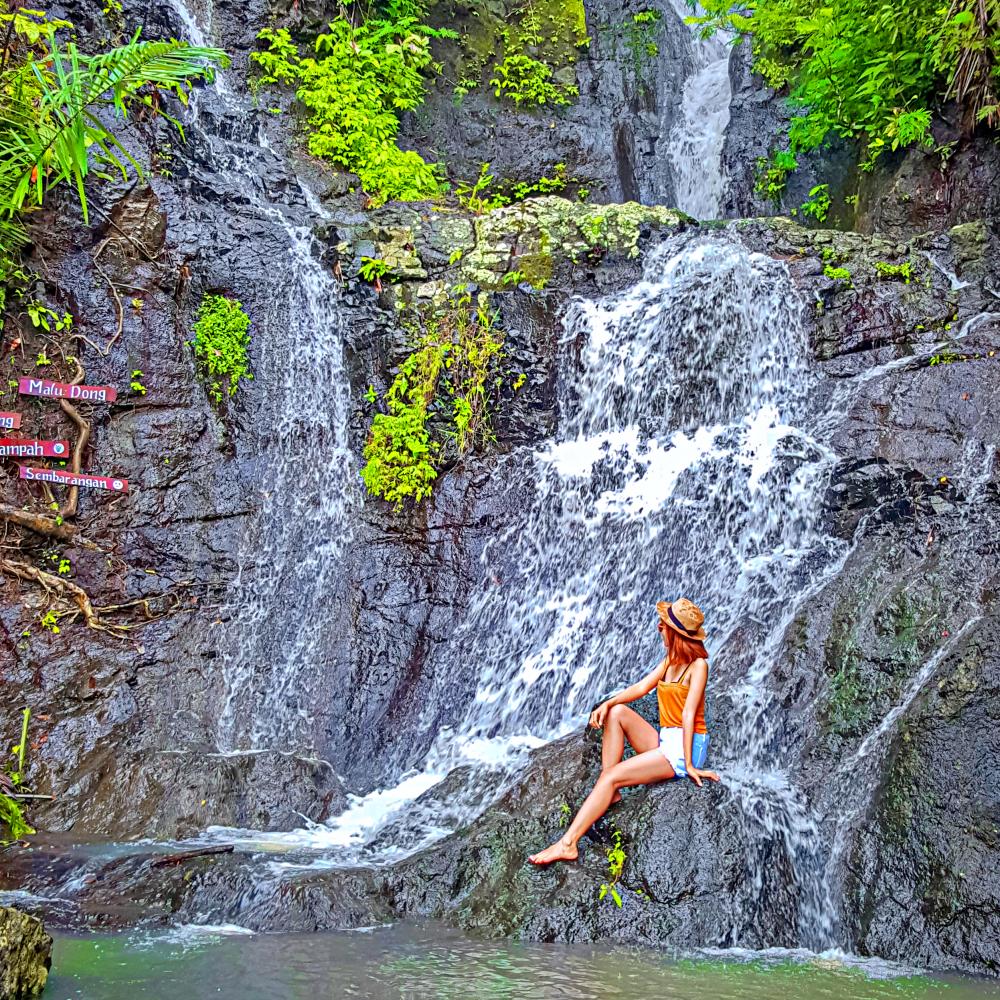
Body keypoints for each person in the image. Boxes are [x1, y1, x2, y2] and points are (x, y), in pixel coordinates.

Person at [528, 597, 719, 866]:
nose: (658, 628)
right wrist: (609, 703)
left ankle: (568, 843)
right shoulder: (670, 661)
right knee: (617, 715)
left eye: (662, 626)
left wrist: (689, 764)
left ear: (675, 633)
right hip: (667, 740)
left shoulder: (698, 666)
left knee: (612, 776)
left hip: (686, 748)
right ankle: (612, 789)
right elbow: (641, 688)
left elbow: (689, 714)